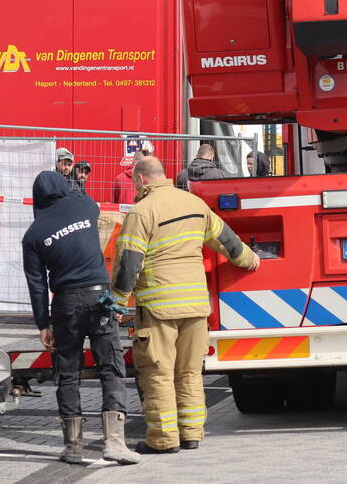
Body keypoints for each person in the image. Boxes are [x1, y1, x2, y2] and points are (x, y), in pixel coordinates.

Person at [109, 156, 261, 454]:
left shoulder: (142, 211)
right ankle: (192, 433)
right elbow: (226, 240)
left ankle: (164, 440)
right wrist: (249, 259)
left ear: (140, 179)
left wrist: (115, 302)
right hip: (195, 305)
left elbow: (129, 261)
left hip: (159, 306)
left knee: (158, 373)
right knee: (190, 372)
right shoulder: (194, 204)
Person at [21, 172, 139, 465]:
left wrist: (42, 324)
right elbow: (83, 202)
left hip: (65, 304)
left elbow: (37, 285)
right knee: (111, 367)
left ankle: (73, 447)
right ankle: (114, 442)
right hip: (100, 299)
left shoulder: (33, 235)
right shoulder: (85, 205)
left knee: (68, 373)